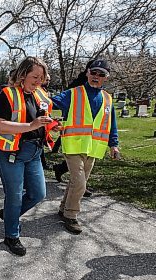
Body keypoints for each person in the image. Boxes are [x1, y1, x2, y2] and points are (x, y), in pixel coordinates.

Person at [0, 57, 60, 256]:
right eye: (35, 77)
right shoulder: (6, 94)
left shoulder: (41, 94)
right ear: (22, 75)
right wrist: (31, 126)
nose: (39, 81)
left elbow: (40, 121)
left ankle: (9, 215)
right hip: (11, 152)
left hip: (34, 152)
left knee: (38, 193)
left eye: (42, 77)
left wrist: (54, 125)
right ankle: (11, 235)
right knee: (13, 196)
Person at [51, 59, 120, 234]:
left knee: (77, 182)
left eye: (101, 74)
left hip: (94, 148)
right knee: (80, 184)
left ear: (106, 77)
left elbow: (112, 124)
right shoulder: (73, 93)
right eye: (93, 72)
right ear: (87, 73)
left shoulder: (107, 98)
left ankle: (63, 209)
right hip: (73, 145)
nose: (96, 76)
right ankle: (71, 216)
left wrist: (114, 145)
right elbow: (50, 102)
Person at [52, 60, 95, 199]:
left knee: (82, 162)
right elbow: (65, 100)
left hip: (88, 129)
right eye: (93, 71)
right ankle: (79, 188)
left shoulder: (95, 85)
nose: (96, 75)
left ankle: (64, 172)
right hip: (75, 123)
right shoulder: (79, 84)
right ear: (88, 70)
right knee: (76, 160)